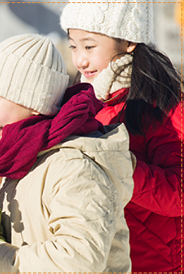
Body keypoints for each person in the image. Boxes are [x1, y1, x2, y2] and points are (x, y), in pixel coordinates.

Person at [0, 34, 136, 272]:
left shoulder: (73, 166)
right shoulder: (23, 162)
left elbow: (81, 258)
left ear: (35, 101)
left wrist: (3, 258)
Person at [61, 1, 183, 271]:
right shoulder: (83, 104)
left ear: (128, 41)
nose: (80, 59)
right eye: (73, 45)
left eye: (89, 46)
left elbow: (179, 194)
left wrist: (122, 167)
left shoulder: (159, 103)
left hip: (151, 261)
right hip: (103, 258)